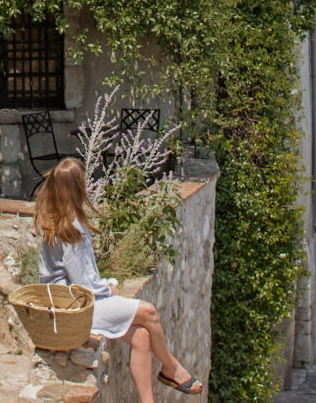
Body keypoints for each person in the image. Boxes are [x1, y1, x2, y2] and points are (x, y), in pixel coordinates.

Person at [34, 157, 203, 400]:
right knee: (150, 313)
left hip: (66, 307)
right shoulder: (72, 230)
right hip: (78, 311)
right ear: (77, 189)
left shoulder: (56, 222)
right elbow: (86, 286)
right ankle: (171, 368)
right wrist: (110, 287)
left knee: (142, 337)